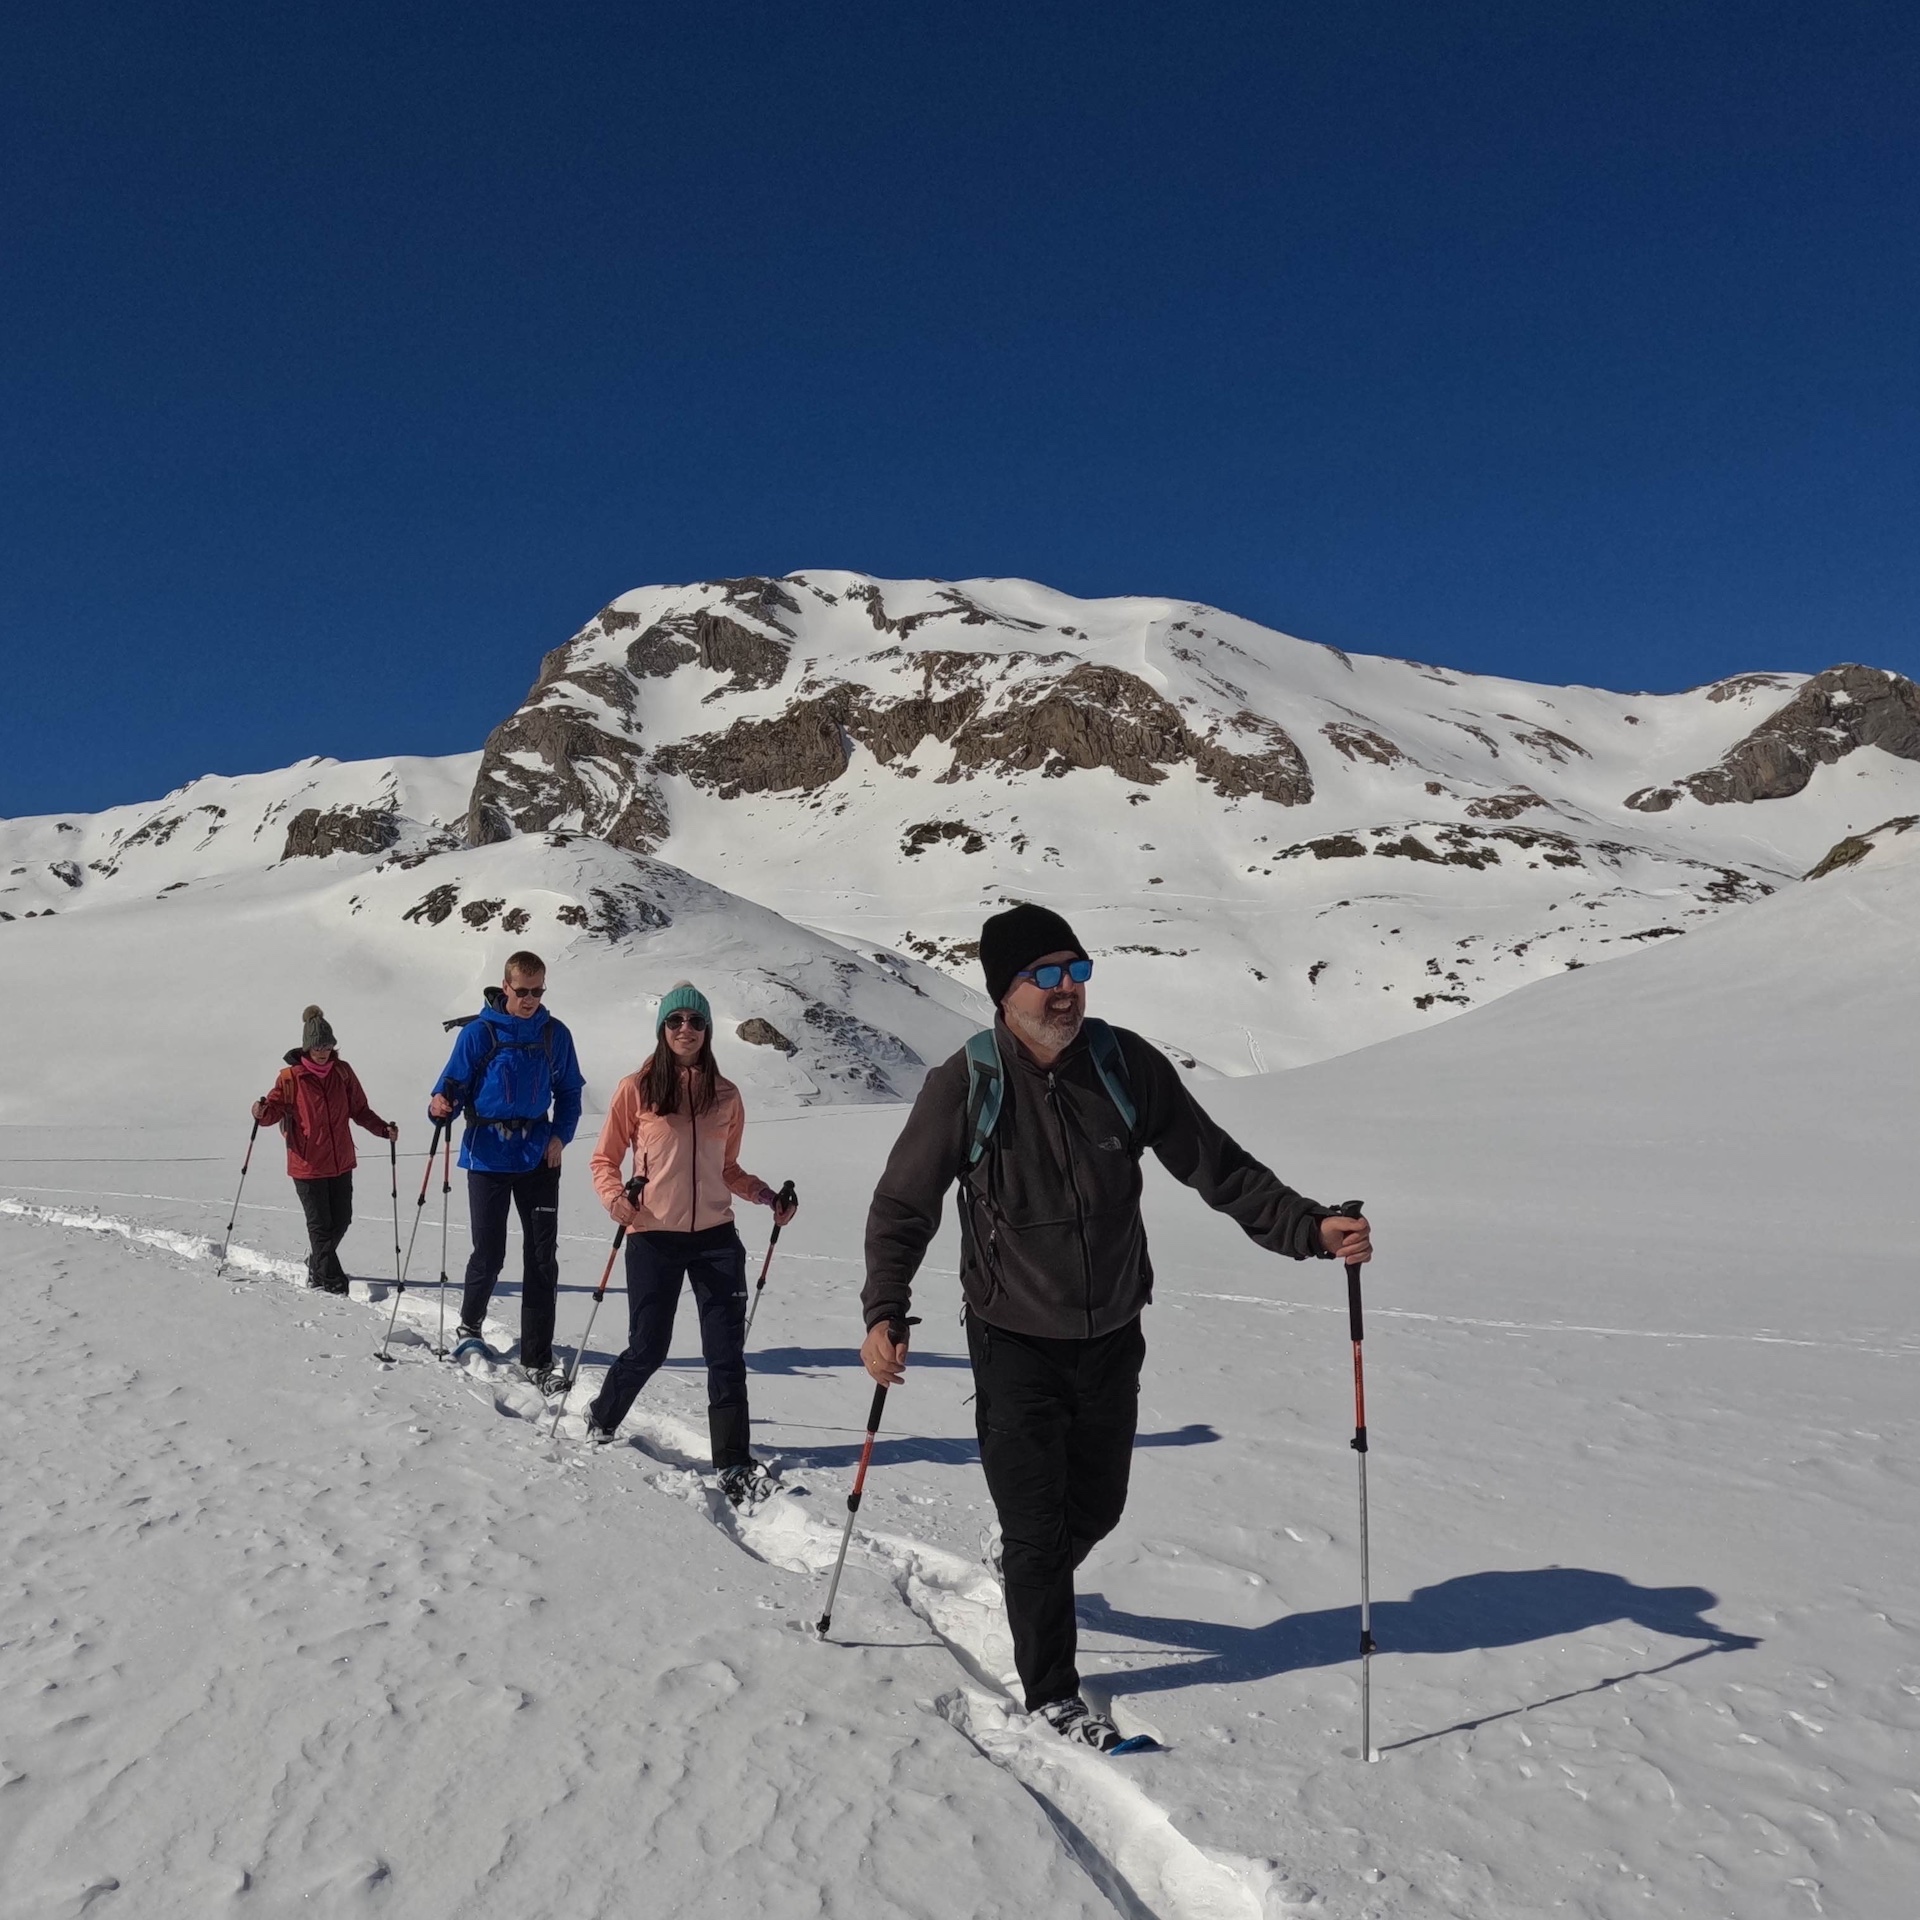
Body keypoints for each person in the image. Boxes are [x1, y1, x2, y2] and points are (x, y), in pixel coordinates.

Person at [860, 904, 1374, 1752]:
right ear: (1005, 991)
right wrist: (886, 1309)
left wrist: (1308, 1228)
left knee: (1095, 1507)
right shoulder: (969, 1083)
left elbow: (1217, 1166)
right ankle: (1054, 1699)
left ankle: (1032, 1574)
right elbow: (902, 1205)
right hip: (1012, 1338)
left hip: (1111, 1336)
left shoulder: (1122, 1064)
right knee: (1035, 1529)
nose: (1068, 993)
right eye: (1048, 976)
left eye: (1078, 970)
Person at [583, 981, 798, 1506]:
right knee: (648, 1348)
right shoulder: (635, 1088)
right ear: (663, 1028)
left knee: (725, 1355)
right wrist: (617, 1202)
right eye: (676, 1021)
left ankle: (733, 1463)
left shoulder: (726, 1095)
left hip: (716, 1241)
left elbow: (727, 1169)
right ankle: (601, 1416)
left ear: (706, 1031)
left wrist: (767, 1196)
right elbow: (603, 1161)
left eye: (696, 1022)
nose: (686, 1030)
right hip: (653, 1234)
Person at [427, 951, 586, 1389]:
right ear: (506, 985)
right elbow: (451, 1087)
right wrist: (439, 1106)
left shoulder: (555, 1034)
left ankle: (537, 1356)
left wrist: (560, 1137)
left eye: (538, 991)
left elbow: (570, 1092)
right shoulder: (478, 1034)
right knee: (490, 1252)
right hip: (487, 1157)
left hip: (538, 1155)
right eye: (523, 991)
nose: (531, 999)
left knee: (541, 1258)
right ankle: (470, 1324)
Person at [252, 1005, 397, 1294]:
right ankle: (330, 1282)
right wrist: (260, 1111)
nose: (323, 1051)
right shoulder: (291, 1078)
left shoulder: (342, 1072)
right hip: (307, 1163)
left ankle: (317, 1263)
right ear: (307, 1047)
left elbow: (360, 1109)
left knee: (342, 1220)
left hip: (340, 1160)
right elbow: (273, 1111)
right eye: (318, 1046)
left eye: (328, 1045)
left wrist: (382, 1129)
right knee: (320, 1225)